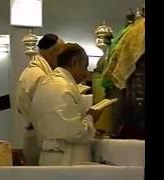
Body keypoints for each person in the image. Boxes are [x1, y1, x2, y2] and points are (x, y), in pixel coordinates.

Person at [31, 43, 104, 166]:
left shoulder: (45, 84)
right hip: (67, 159)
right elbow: (76, 133)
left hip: (48, 157)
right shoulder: (63, 87)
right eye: (85, 67)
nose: (86, 73)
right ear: (75, 62)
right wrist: (91, 116)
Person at [16, 34, 64, 165]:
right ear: (53, 52)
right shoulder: (38, 75)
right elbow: (49, 109)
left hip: (37, 133)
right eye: (62, 51)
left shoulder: (34, 72)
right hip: (39, 136)